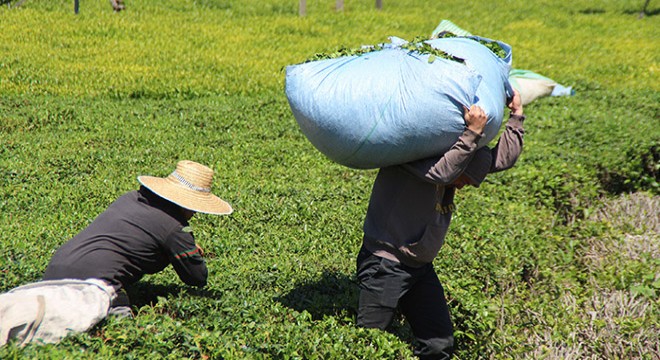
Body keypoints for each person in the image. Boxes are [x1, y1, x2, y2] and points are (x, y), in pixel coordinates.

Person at [356, 91, 525, 359]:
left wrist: (516, 115)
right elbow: (445, 171)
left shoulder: (455, 164)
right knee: (367, 344)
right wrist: (472, 132)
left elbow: (501, 160)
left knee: (439, 344)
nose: (463, 186)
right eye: (465, 181)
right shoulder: (410, 159)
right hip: (385, 265)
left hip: (419, 269)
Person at [1, 160, 232, 346]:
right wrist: (187, 252)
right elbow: (197, 278)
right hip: (93, 284)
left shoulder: (130, 198)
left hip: (55, 269)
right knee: (125, 337)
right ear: (190, 204)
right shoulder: (175, 229)